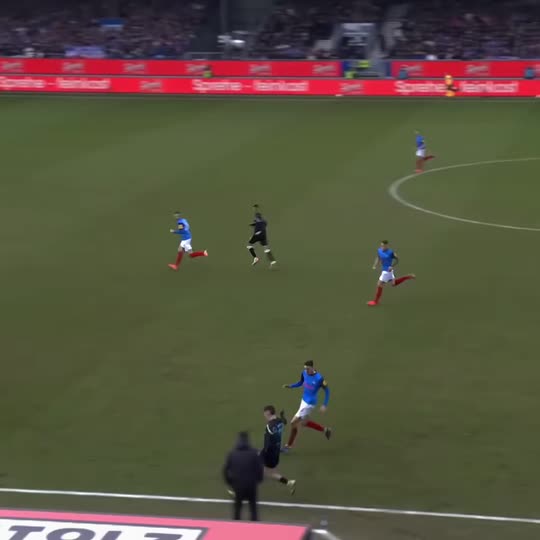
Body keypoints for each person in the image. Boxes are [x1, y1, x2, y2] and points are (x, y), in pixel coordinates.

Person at [282, 360, 332, 452]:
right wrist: (291, 386)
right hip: (303, 401)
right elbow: (300, 382)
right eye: (305, 368)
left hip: (310, 404)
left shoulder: (319, 378)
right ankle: (325, 430)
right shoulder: (304, 373)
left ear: (312, 367)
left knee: (293, 422)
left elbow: (327, 391)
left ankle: (288, 446)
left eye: (308, 368)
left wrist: (324, 404)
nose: (306, 370)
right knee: (304, 423)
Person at [223, 431, 264, 521]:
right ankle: (255, 526)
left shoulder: (232, 453)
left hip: (238, 485)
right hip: (251, 485)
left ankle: (236, 526)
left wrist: (230, 482)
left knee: (237, 509)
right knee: (253, 508)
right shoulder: (254, 453)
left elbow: (225, 470)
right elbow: (259, 469)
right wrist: (258, 480)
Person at [260, 406, 297, 493]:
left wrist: (262, 453)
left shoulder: (269, 427)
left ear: (268, 413)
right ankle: (289, 483)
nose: (264, 416)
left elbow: (267, 444)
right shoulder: (279, 421)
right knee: (269, 473)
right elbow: (285, 422)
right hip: (276, 453)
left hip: (269, 454)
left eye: (265, 414)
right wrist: (282, 416)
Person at [367, 240, 415, 307]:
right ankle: (407, 277)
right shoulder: (379, 250)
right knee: (393, 284)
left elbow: (397, 260)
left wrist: (392, 266)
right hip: (384, 270)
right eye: (381, 245)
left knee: (379, 284)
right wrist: (375, 264)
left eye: (384, 246)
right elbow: (378, 257)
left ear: (387, 246)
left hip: (387, 271)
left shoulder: (390, 253)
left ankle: (375, 301)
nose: (382, 247)